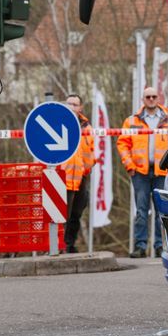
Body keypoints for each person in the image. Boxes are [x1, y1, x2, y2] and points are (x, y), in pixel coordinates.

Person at [116, 86, 168, 258]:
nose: (151, 99)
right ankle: (140, 246)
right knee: (141, 210)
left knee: (161, 210)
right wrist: (129, 165)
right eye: (148, 97)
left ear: (158, 98)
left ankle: (160, 246)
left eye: (154, 96)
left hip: (162, 171)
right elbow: (122, 143)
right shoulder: (132, 120)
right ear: (143, 99)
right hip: (139, 172)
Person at [62, 93, 95, 254]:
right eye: (69, 104)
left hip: (82, 176)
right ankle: (58, 245)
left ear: (80, 107)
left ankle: (70, 243)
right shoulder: (58, 122)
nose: (72, 107)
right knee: (62, 214)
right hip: (63, 176)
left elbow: (91, 152)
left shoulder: (86, 127)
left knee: (77, 212)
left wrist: (86, 170)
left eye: (75, 104)